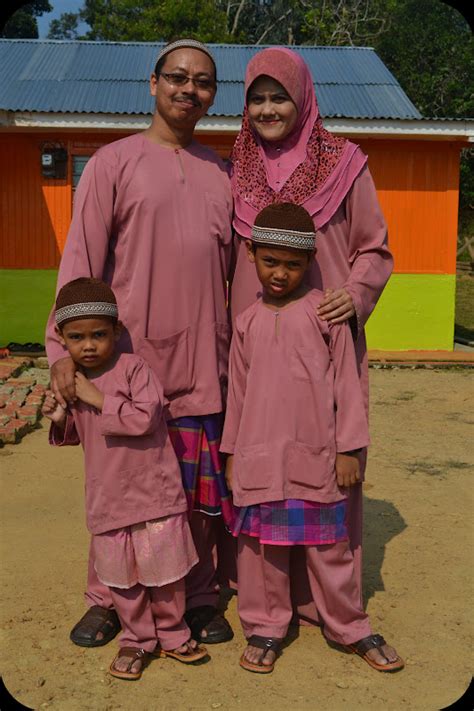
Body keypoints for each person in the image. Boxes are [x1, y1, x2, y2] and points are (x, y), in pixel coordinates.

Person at [45, 38, 234, 649]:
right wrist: (60, 354)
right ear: (152, 83)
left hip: (206, 357)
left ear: (211, 96)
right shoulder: (112, 164)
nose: (189, 88)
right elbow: (80, 263)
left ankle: (198, 592)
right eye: (177, 76)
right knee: (122, 490)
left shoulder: (223, 174)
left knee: (196, 492)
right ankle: (108, 596)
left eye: (203, 81)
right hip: (125, 370)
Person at [228, 47, 393, 632]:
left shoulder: (344, 162)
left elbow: (374, 247)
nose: (269, 109)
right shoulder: (238, 167)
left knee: (329, 465)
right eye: (257, 97)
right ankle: (268, 606)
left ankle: (329, 606)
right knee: (261, 463)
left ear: (304, 99)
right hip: (258, 338)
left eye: (280, 96)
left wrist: (357, 292)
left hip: (325, 336)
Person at [221, 203, 403, 674]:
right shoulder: (246, 322)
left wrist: (348, 448)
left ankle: (349, 624)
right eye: (270, 261)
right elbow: (237, 396)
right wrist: (232, 454)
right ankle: (266, 624)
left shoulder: (326, 314)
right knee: (265, 549)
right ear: (250, 254)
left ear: (310, 261)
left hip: (316, 457)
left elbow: (347, 385)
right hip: (259, 458)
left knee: (329, 548)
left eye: (293, 263)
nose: (280, 273)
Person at [42, 278, 208, 680]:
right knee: (123, 579)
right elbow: (75, 437)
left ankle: (171, 632)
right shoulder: (73, 382)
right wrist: (60, 416)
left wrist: (97, 398)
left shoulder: (135, 369)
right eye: (77, 337)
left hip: (154, 492)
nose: (89, 346)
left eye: (99, 334)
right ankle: (136, 640)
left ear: (116, 331)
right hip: (109, 497)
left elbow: (145, 418)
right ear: (62, 340)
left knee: (165, 573)